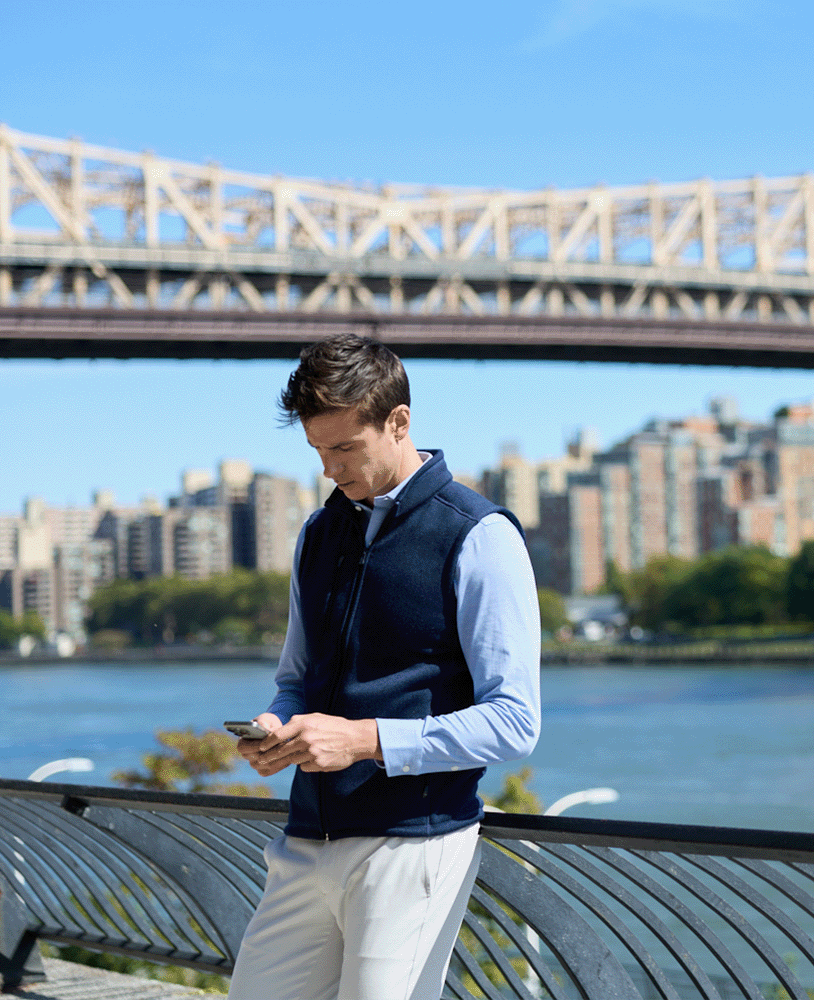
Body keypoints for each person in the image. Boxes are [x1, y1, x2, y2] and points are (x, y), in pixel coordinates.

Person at [228, 334, 541, 1000]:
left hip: (411, 846)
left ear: (399, 422)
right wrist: (275, 727)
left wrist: (364, 740)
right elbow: (296, 679)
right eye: (317, 450)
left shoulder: (480, 535)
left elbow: (515, 722)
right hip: (307, 838)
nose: (329, 468)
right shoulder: (318, 533)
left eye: (344, 448)